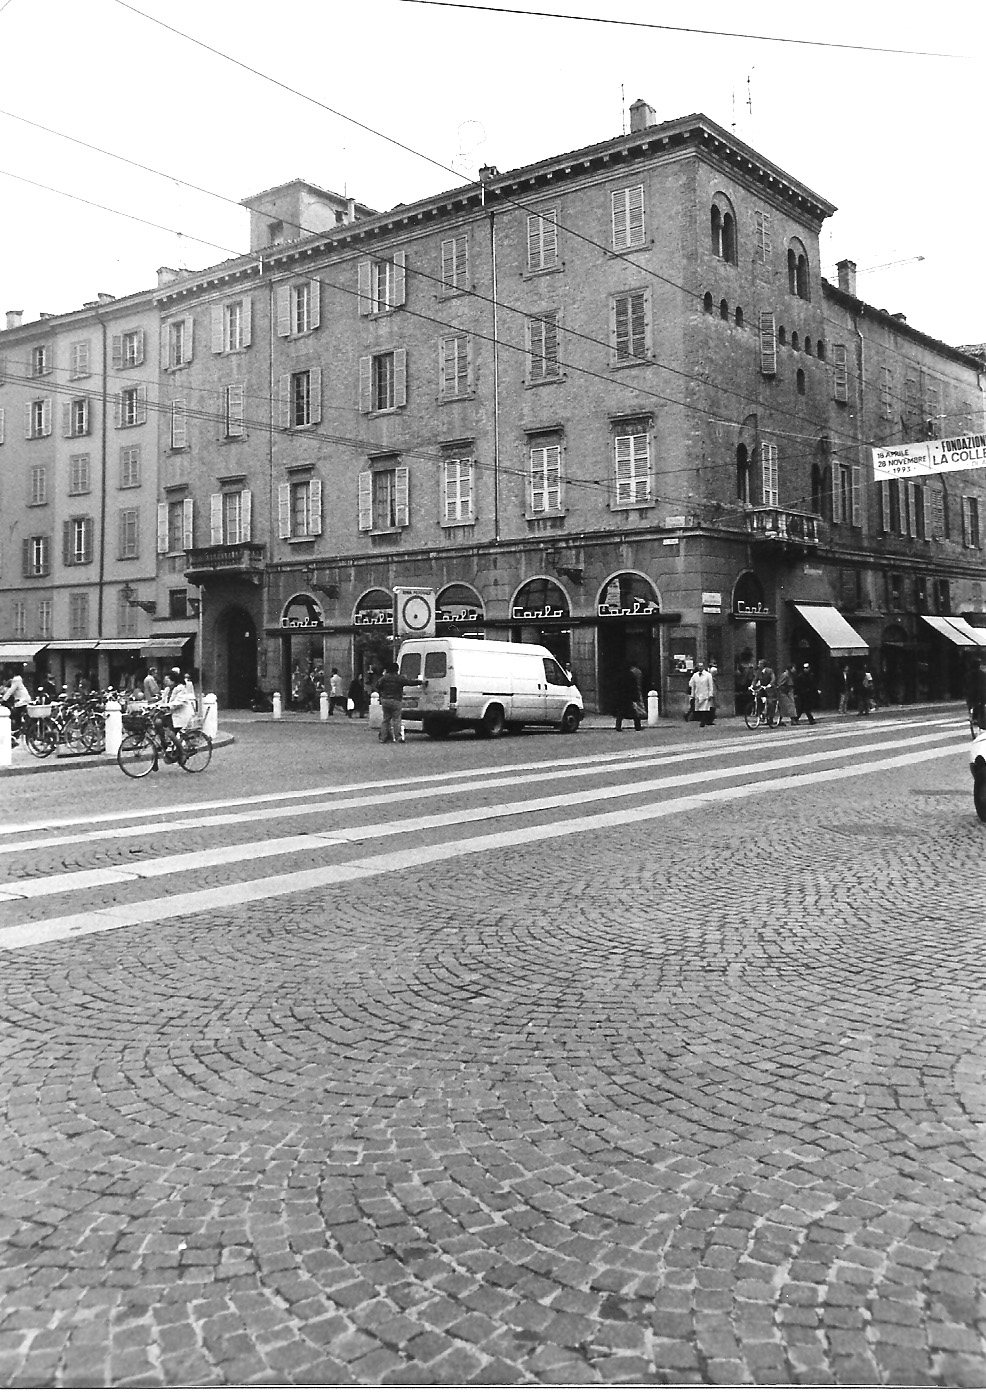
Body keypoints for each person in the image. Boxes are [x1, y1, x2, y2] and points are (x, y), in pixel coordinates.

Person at [375, 662, 427, 744]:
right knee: (396, 720)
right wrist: (421, 682)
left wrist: (382, 694)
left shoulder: (384, 678)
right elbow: (410, 682)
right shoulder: (399, 678)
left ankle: (383, 738)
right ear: (397, 669)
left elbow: (377, 686)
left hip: (385, 700)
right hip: (396, 700)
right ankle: (398, 738)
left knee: (386, 720)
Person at [1, 671, 32, 742]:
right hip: (21, 700)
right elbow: (5, 689)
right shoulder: (15, 681)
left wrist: (3, 699)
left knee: (14, 714)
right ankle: (18, 730)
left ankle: (17, 730)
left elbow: (11, 691)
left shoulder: (16, 680)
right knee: (16, 715)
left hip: (22, 701)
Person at [615, 661, 644, 731]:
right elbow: (634, 686)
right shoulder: (630, 675)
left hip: (622, 696)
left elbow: (616, 686)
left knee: (621, 712)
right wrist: (635, 697)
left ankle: (618, 726)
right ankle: (638, 726)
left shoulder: (619, 675)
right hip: (629, 696)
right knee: (635, 712)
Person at [689, 661, 715, 729]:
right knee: (699, 709)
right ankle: (702, 720)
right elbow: (692, 685)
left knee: (705, 709)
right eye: (699, 666)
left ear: (703, 667)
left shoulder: (708, 675)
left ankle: (703, 722)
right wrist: (692, 695)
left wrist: (710, 694)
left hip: (705, 694)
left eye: (701, 666)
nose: (700, 668)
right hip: (698, 694)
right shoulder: (695, 675)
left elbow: (710, 685)